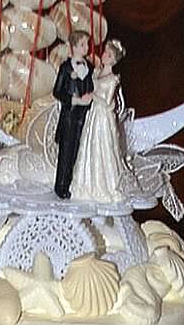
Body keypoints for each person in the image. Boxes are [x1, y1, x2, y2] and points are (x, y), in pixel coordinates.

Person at [70, 39, 141, 204]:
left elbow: (107, 102)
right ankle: (87, 184)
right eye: (105, 53)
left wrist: (93, 96)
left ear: (114, 60)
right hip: (94, 114)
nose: (104, 56)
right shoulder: (97, 72)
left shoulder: (112, 79)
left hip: (102, 117)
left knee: (102, 147)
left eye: (109, 55)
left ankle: (106, 185)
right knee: (89, 146)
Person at [52, 31, 94, 199]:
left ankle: (74, 183)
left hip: (85, 116)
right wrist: (75, 100)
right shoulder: (65, 68)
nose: (86, 48)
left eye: (87, 44)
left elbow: (92, 86)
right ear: (74, 47)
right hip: (70, 117)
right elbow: (57, 91)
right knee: (66, 153)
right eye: (82, 44)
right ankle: (61, 186)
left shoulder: (89, 67)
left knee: (78, 151)